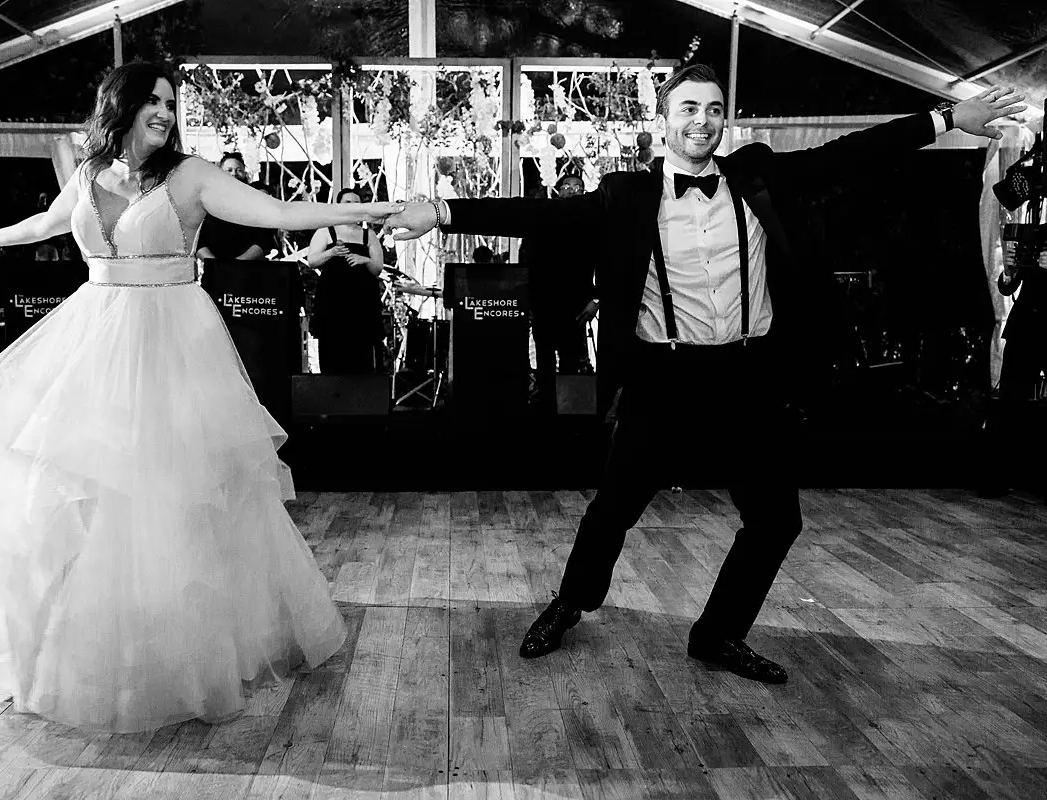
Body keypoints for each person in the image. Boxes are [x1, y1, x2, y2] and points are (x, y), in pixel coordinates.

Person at [386, 64, 1024, 684]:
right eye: (689, 108)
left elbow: (850, 154)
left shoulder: (755, 175)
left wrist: (947, 118)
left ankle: (718, 633)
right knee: (614, 508)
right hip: (665, 377)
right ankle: (571, 602)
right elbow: (540, 216)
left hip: (746, 374)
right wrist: (440, 212)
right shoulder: (627, 195)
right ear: (663, 119)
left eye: (714, 109)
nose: (703, 120)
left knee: (777, 520)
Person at [0, 62, 403, 733]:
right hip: (92, 336)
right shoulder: (89, 173)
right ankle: (64, 644)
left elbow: (279, 213)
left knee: (168, 491)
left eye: (171, 103)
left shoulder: (191, 176)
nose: (165, 112)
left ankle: (172, 644)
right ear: (121, 105)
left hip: (169, 340)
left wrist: (362, 211)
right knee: (66, 485)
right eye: (153, 101)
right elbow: (51, 222)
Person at [520, 173, 599, 411]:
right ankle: (546, 409)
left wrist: (596, 299)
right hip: (543, 304)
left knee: (571, 362)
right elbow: (526, 264)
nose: (571, 191)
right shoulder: (541, 222)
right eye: (566, 186)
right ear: (558, 191)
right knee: (544, 360)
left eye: (577, 188)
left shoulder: (592, 225)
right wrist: (527, 303)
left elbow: (607, 264)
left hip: (576, 307)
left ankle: (568, 413)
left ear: (584, 193)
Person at [980, 236, 1047, 498]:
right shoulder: (1034, 229)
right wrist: (1010, 272)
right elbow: (1008, 287)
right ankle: (999, 476)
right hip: (1026, 325)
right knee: (1009, 401)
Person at [306, 188, 386, 374]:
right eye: (347, 202)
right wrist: (331, 252)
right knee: (333, 352)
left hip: (362, 302)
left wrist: (364, 260)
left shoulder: (368, 235)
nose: (352, 206)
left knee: (362, 355)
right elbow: (312, 261)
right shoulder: (325, 231)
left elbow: (377, 268)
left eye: (356, 203)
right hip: (333, 300)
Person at [195, 153, 277, 261]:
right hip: (215, 266)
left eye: (239, 170)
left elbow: (265, 239)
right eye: (229, 170)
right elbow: (198, 240)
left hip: (249, 265)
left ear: (245, 174)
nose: (234, 173)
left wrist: (238, 263)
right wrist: (214, 263)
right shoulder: (207, 203)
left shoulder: (255, 200)